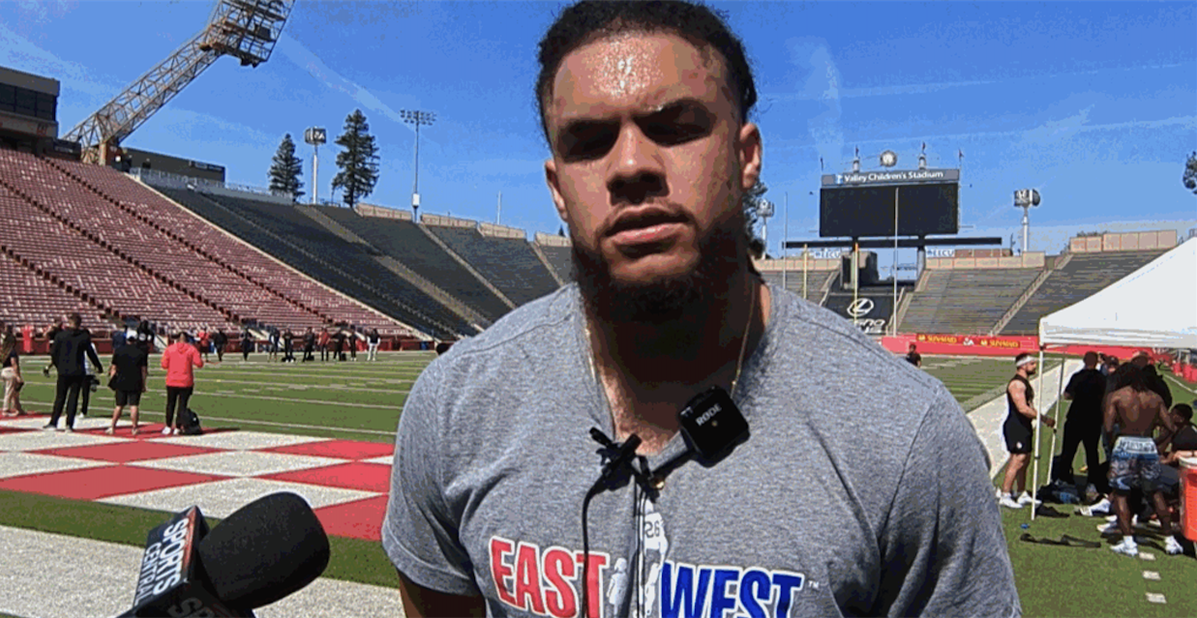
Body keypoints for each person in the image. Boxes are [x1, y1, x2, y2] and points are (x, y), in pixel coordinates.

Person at [382, 2, 1019, 616]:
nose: (630, 165)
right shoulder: (456, 407)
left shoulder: (905, 437)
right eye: (589, 140)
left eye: (675, 127)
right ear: (557, 188)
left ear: (746, 158)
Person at [1103, 364, 1181, 557]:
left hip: (1125, 445)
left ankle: (1128, 541)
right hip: (1147, 445)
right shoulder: (1155, 398)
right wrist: (1154, 442)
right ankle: (1169, 540)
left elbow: (1108, 427)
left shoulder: (1117, 396)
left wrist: (1115, 445)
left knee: (1121, 494)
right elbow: (1171, 427)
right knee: (1155, 493)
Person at [999, 353, 1055, 508]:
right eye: (1032, 364)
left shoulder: (1025, 382)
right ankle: (1005, 493)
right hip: (1016, 425)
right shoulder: (1017, 384)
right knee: (1017, 459)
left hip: (1024, 425)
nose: (1035, 366)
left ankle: (1021, 492)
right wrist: (1044, 418)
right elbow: (1022, 408)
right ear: (1023, 365)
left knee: (1025, 460)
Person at [1051, 351, 1107, 495]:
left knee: (1068, 451)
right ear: (1097, 362)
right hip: (1093, 419)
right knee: (1092, 453)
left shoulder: (1078, 376)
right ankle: (1093, 482)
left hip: (1076, 417)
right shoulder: (1102, 378)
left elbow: (1067, 394)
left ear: (1084, 360)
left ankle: (1063, 479)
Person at [44, 313, 103, 432]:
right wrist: (98, 366)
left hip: (63, 370)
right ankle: (69, 424)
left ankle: (53, 422)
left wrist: (58, 365)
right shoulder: (83, 337)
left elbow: (54, 353)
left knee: (60, 397)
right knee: (73, 398)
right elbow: (90, 352)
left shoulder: (61, 336)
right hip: (77, 370)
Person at [161, 331, 204, 435]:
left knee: (170, 404)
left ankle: (168, 425)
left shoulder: (170, 349)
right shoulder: (191, 349)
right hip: (186, 381)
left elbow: (164, 364)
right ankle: (178, 426)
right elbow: (199, 364)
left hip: (172, 380)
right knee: (182, 405)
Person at [107, 338, 148, 435]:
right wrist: (144, 383)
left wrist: (112, 380)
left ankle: (112, 427)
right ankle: (134, 428)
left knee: (119, 406)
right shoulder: (140, 352)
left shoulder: (119, 350)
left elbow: (113, 368)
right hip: (135, 381)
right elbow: (143, 370)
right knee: (133, 405)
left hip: (121, 381)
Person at [1, 333, 24, 417]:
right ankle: (5, 409)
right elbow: (14, 364)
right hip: (10, 371)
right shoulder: (12, 351)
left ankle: (18, 408)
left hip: (4, 371)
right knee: (10, 391)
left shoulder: (4, 351)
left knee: (14, 391)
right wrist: (18, 376)